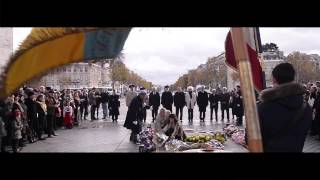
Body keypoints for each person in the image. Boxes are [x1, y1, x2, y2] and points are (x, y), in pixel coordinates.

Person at [258, 63, 312, 152]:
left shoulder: (264, 107)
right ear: (293, 78)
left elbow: (251, 138)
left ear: (274, 79)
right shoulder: (306, 107)